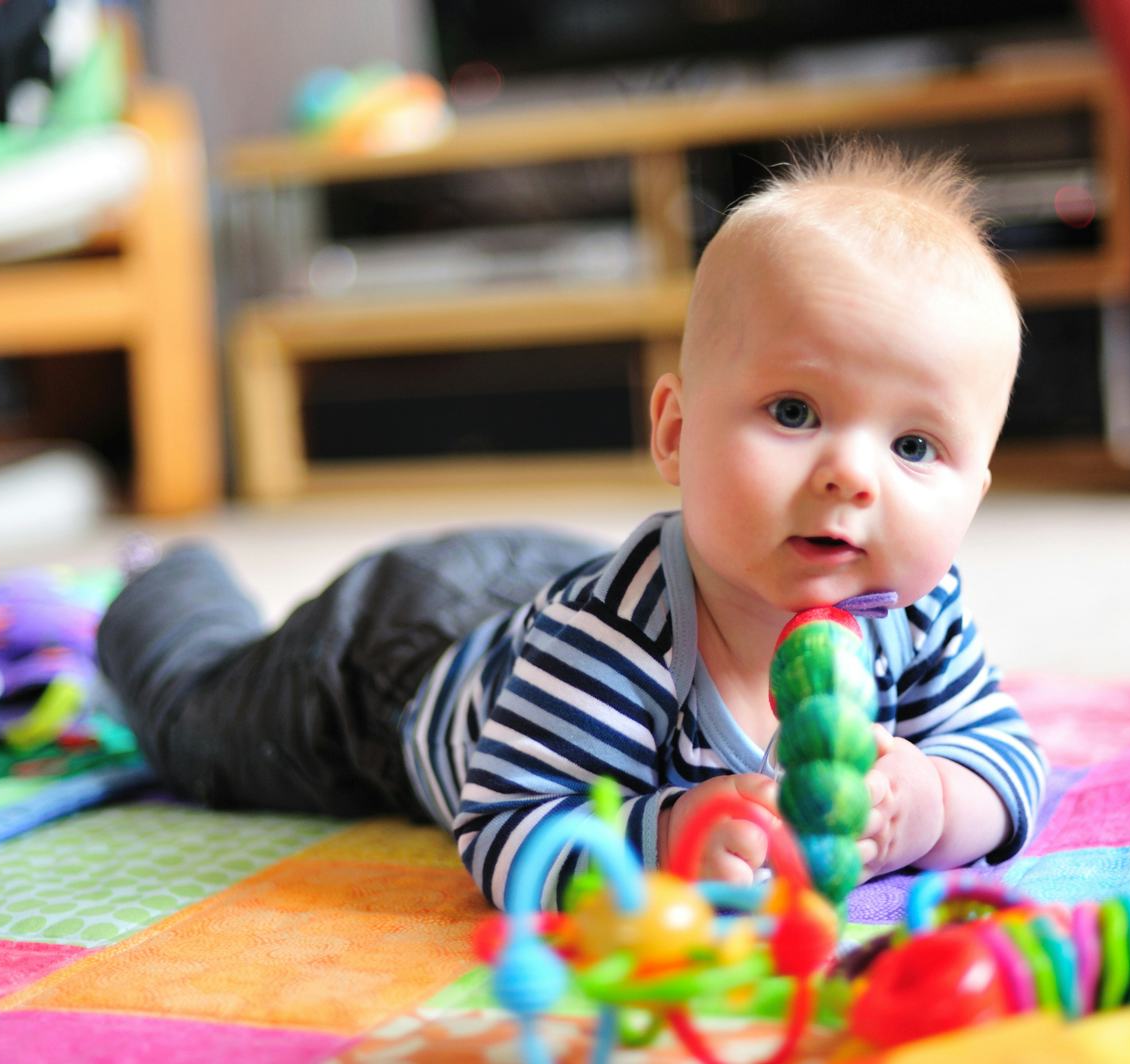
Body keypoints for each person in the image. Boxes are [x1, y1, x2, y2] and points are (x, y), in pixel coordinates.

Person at [97, 140, 1046, 910]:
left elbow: (1007, 764)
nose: (851, 474)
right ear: (674, 433)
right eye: (795, 413)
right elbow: (506, 830)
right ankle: (159, 577)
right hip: (389, 664)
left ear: (978, 489)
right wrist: (664, 837)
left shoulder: (914, 611)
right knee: (199, 727)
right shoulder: (611, 642)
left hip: (542, 579)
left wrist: (931, 808)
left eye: (916, 447)